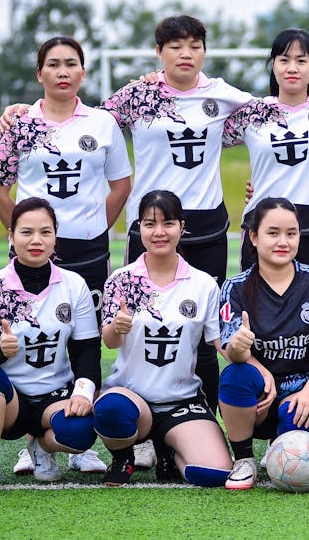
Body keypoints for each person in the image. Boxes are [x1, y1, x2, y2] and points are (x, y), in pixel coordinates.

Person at [0, 17, 309, 432]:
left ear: (204, 51)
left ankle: (208, 421)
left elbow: (279, 110)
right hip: (150, 226)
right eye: (175, 46)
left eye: (195, 46)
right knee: (137, 324)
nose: (186, 54)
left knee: (207, 331)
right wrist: (23, 111)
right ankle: (138, 420)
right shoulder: (137, 95)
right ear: (159, 52)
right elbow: (80, 117)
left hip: (209, 228)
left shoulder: (224, 95)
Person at [0, 36, 129, 475]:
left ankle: (78, 439)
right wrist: (27, 235)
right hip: (32, 256)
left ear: (84, 73)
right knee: (29, 340)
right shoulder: (19, 124)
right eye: (53, 64)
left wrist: (93, 227)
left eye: (71, 64)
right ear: (39, 74)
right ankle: (31, 439)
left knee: (84, 340)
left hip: (88, 251)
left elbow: (121, 185)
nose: (62, 71)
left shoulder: (103, 123)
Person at [92, 190, 233, 487]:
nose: (159, 232)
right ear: (138, 228)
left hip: (181, 399)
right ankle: (123, 457)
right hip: (133, 396)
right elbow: (110, 342)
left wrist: (241, 348)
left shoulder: (203, 283)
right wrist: (116, 327)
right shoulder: (121, 280)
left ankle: (168, 448)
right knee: (111, 410)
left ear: (182, 227)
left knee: (213, 473)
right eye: (149, 224)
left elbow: (221, 344)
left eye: (168, 223)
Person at [0, 197, 102, 493]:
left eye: (45, 232)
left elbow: (87, 350)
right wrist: (0, 349)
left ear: (56, 237)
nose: (36, 240)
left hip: (56, 395)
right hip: (13, 400)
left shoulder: (74, 284)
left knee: (81, 433)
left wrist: (83, 391)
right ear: (11, 236)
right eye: (26, 232)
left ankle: (41, 446)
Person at [218, 198, 309, 489]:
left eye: (291, 233)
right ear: (254, 236)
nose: (283, 241)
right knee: (234, 375)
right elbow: (232, 353)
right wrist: (240, 347)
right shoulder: (235, 288)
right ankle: (244, 459)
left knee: (296, 415)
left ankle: (280, 446)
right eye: (273, 233)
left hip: (304, 392)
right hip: (258, 397)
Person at [223, 28, 309, 280]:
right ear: (273, 66)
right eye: (284, 59)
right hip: (262, 227)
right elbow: (203, 131)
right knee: (258, 310)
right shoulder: (252, 113)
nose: (292, 68)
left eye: (301, 61)